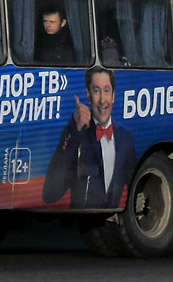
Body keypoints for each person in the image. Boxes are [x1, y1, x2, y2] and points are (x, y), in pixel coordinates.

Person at [42, 66, 137, 209]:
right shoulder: (78, 132)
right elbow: (50, 194)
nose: (102, 100)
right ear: (88, 96)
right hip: (81, 225)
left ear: (113, 96)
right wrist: (75, 130)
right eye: (96, 91)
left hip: (108, 224)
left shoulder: (125, 137)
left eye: (106, 90)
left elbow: (134, 181)